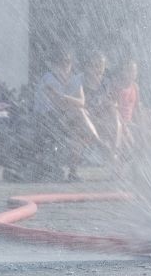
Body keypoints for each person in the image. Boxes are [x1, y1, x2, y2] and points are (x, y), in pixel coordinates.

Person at [34, 48, 108, 182]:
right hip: (45, 119)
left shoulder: (73, 80)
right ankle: (98, 142)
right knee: (80, 113)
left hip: (62, 117)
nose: (65, 66)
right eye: (61, 63)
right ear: (53, 64)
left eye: (68, 63)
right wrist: (67, 100)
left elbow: (81, 101)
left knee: (79, 130)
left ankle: (73, 172)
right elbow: (59, 105)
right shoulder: (49, 79)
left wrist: (63, 97)